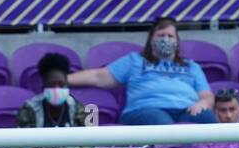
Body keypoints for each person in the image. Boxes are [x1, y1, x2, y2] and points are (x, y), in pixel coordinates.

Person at [68, 16, 215, 125]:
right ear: (151, 39)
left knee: (206, 118)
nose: (166, 39)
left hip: (185, 109)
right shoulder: (134, 60)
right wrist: (64, 80)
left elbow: (206, 95)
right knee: (162, 123)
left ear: (177, 41)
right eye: (161, 35)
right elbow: (99, 76)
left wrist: (203, 104)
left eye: (170, 36)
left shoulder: (191, 66)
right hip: (145, 110)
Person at [15, 52, 89, 128]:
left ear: (66, 83)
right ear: (43, 85)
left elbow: (88, 137)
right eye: (51, 84)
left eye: (61, 84)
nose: (57, 89)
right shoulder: (29, 110)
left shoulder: (77, 109)